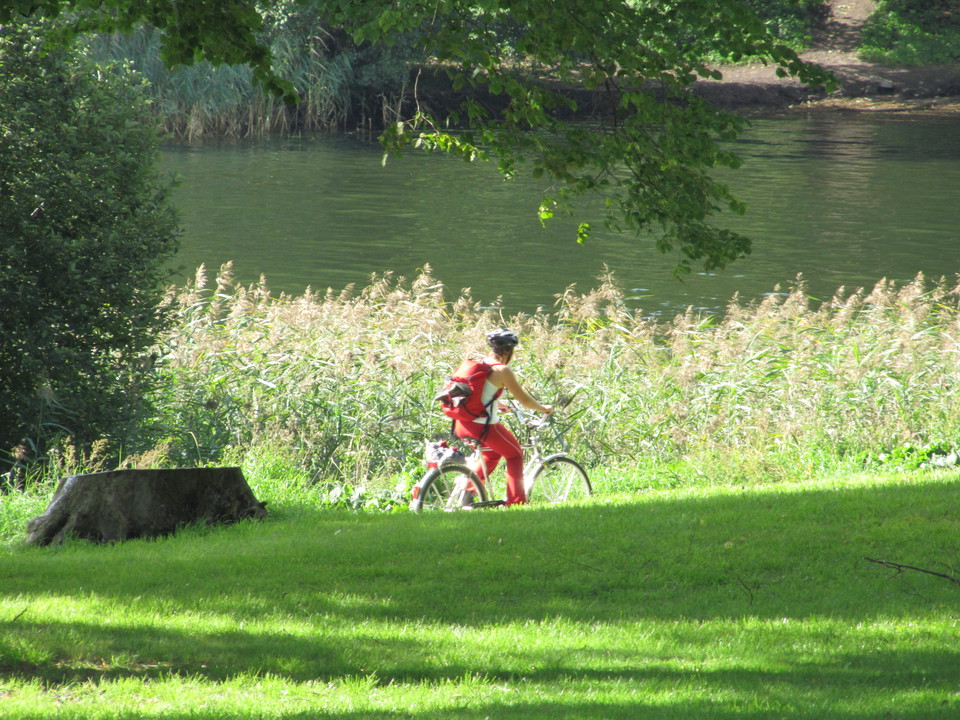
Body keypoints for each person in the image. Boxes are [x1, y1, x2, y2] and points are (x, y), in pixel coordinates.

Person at [453, 328, 553, 506]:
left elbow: (476, 394)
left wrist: (497, 404)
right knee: (515, 455)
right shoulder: (502, 370)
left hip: (461, 424)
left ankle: (466, 492)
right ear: (509, 351)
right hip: (483, 427)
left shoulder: (479, 365)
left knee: (491, 455)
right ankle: (516, 503)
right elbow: (524, 400)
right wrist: (543, 408)